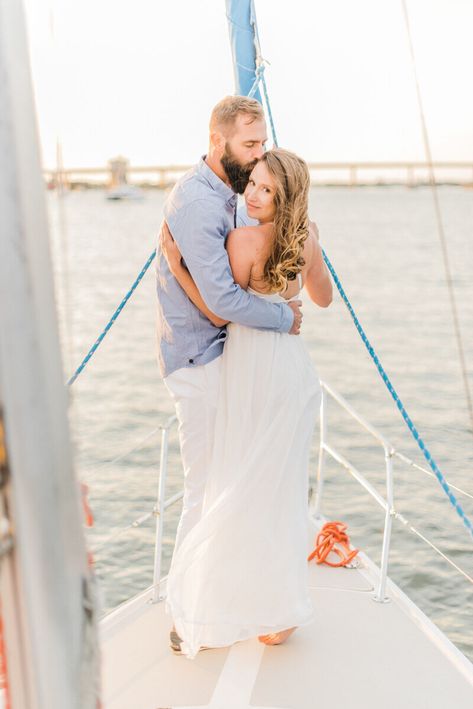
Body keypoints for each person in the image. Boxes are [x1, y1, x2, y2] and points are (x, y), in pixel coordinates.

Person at [160, 148, 333, 658]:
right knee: (278, 490)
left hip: (250, 372)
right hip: (292, 373)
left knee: (236, 482)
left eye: (265, 189)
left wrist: (176, 265)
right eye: (252, 183)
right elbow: (322, 299)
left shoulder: (241, 239)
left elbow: (218, 313)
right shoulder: (307, 242)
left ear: (284, 196)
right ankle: (280, 612)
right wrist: (310, 253)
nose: (252, 194)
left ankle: (224, 596)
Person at [156, 96, 302, 562]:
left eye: (263, 142)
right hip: (199, 360)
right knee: (203, 487)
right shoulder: (198, 202)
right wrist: (285, 317)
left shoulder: (234, 192)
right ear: (218, 140)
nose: (260, 153)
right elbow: (220, 304)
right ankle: (185, 614)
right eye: (250, 143)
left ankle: (222, 585)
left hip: (226, 356)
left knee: (231, 482)